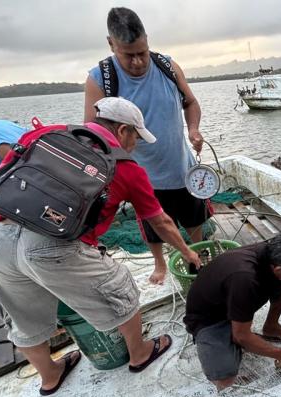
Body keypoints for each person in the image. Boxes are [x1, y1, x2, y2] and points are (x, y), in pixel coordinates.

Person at [0, 97, 202, 396]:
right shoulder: (125, 166)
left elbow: (2, 176)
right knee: (121, 286)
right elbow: (159, 221)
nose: (135, 144)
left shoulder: (44, 134)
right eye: (136, 136)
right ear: (123, 130)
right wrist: (187, 252)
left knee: (22, 317)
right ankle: (140, 353)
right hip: (51, 246)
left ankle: (50, 376)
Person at [84, 7, 206, 286]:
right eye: (129, 55)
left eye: (143, 52)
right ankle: (160, 263)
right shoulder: (100, 79)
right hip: (141, 174)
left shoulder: (167, 66)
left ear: (147, 40)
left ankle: (198, 253)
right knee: (153, 225)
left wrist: (194, 129)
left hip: (181, 165)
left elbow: (191, 102)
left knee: (194, 217)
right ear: (111, 44)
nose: (138, 62)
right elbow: (92, 133)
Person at [183, 232, 281, 390]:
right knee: (226, 376)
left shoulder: (272, 251)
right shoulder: (245, 280)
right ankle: (226, 336)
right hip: (209, 318)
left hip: (235, 300)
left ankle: (271, 327)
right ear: (278, 270)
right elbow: (241, 336)